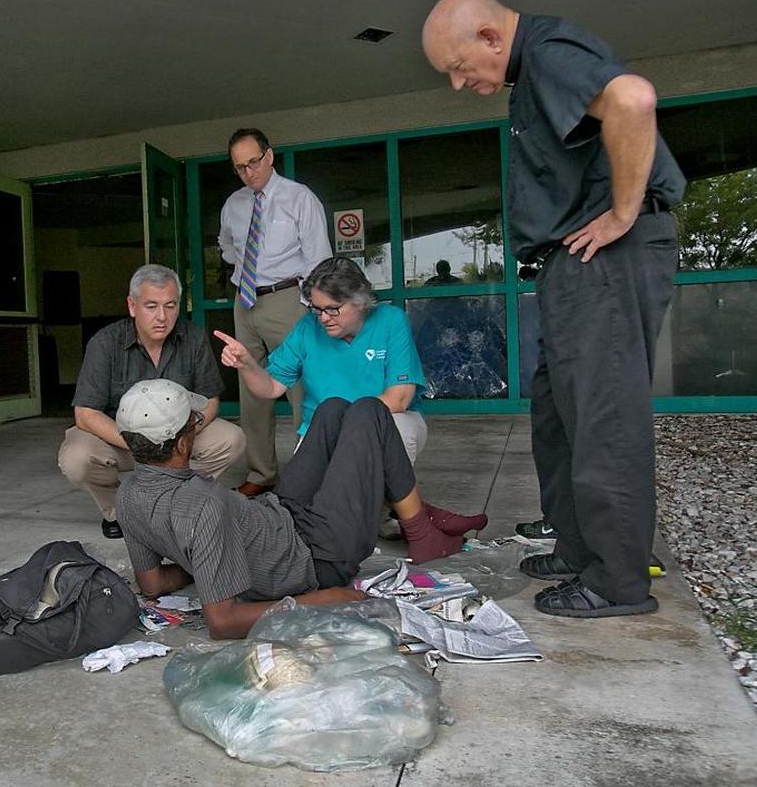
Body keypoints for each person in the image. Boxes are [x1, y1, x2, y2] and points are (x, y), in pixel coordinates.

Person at [422, 0, 685, 617]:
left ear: (490, 37)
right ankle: (579, 548)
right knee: (557, 414)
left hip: (606, 260)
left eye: (459, 66)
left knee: (603, 418)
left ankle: (618, 580)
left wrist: (623, 213)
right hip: (574, 267)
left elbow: (633, 98)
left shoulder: (548, 51)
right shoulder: (530, 71)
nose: (459, 83)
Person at [114, 379, 473, 639]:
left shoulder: (127, 494)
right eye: (195, 424)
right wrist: (321, 600)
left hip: (279, 515)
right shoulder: (202, 506)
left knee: (333, 408)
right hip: (318, 557)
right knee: (370, 412)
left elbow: (153, 582)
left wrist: (210, 561)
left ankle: (422, 519)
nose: (198, 426)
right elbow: (223, 623)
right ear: (180, 444)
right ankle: (423, 533)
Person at [216, 256, 487, 535]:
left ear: (360, 301)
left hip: (380, 420)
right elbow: (271, 387)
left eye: (333, 309)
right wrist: (248, 365)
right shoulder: (308, 327)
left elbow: (400, 397)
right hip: (320, 433)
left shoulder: (390, 320)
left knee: (394, 431)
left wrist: (344, 426)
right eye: (317, 309)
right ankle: (399, 513)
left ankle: (389, 515)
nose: (323, 318)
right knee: (313, 515)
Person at [58, 264, 245, 539]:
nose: (161, 316)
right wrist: (141, 445)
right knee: (76, 457)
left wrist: (183, 436)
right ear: (132, 306)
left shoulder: (191, 337)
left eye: (170, 306)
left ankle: (176, 503)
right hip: (122, 440)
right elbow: (85, 414)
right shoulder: (105, 343)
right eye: (151, 306)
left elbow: (210, 401)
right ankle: (117, 511)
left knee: (232, 439)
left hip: (178, 440)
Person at [218, 128, 331, 497]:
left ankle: (306, 474)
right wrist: (245, 280)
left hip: (288, 299)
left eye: (253, 162)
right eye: (240, 168)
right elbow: (228, 248)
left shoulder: (299, 199)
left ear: (269, 156)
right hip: (246, 299)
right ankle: (261, 473)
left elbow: (319, 259)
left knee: (300, 387)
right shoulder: (234, 205)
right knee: (251, 390)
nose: (248, 172)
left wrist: (311, 307)